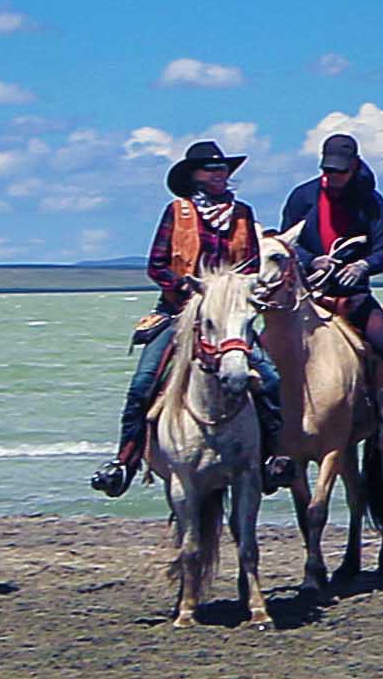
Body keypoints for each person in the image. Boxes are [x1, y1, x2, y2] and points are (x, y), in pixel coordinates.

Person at [93, 143, 266, 491]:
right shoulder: (177, 212)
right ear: (194, 176)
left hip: (227, 318)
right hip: (178, 311)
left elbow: (253, 267)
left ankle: (272, 458)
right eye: (210, 169)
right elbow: (156, 265)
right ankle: (124, 461)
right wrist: (185, 288)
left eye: (222, 169)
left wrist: (227, 295)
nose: (219, 174)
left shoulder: (243, 214)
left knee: (271, 379)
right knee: (143, 383)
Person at [276, 127, 383, 477]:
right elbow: (286, 242)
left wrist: (364, 265)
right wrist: (311, 260)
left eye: (340, 171)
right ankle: (270, 429)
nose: (333, 177)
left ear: (354, 167)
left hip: (353, 296)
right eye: (328, 171)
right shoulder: (302, 198)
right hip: (309, 295)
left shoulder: (373, 203)